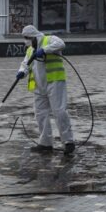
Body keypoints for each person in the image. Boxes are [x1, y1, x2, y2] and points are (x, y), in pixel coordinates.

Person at [16, 25, 75, 156]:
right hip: (39, 86)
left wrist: (45, 50)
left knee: (59, 111)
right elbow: (25, 64)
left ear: (34, 37)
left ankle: (68, 142)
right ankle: (45, 143)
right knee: (40, 114)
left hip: (54, 82)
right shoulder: (30, 50)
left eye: (27, 38)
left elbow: (61, 44)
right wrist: (21, 72)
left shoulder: (50, 39)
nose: (25, 41)